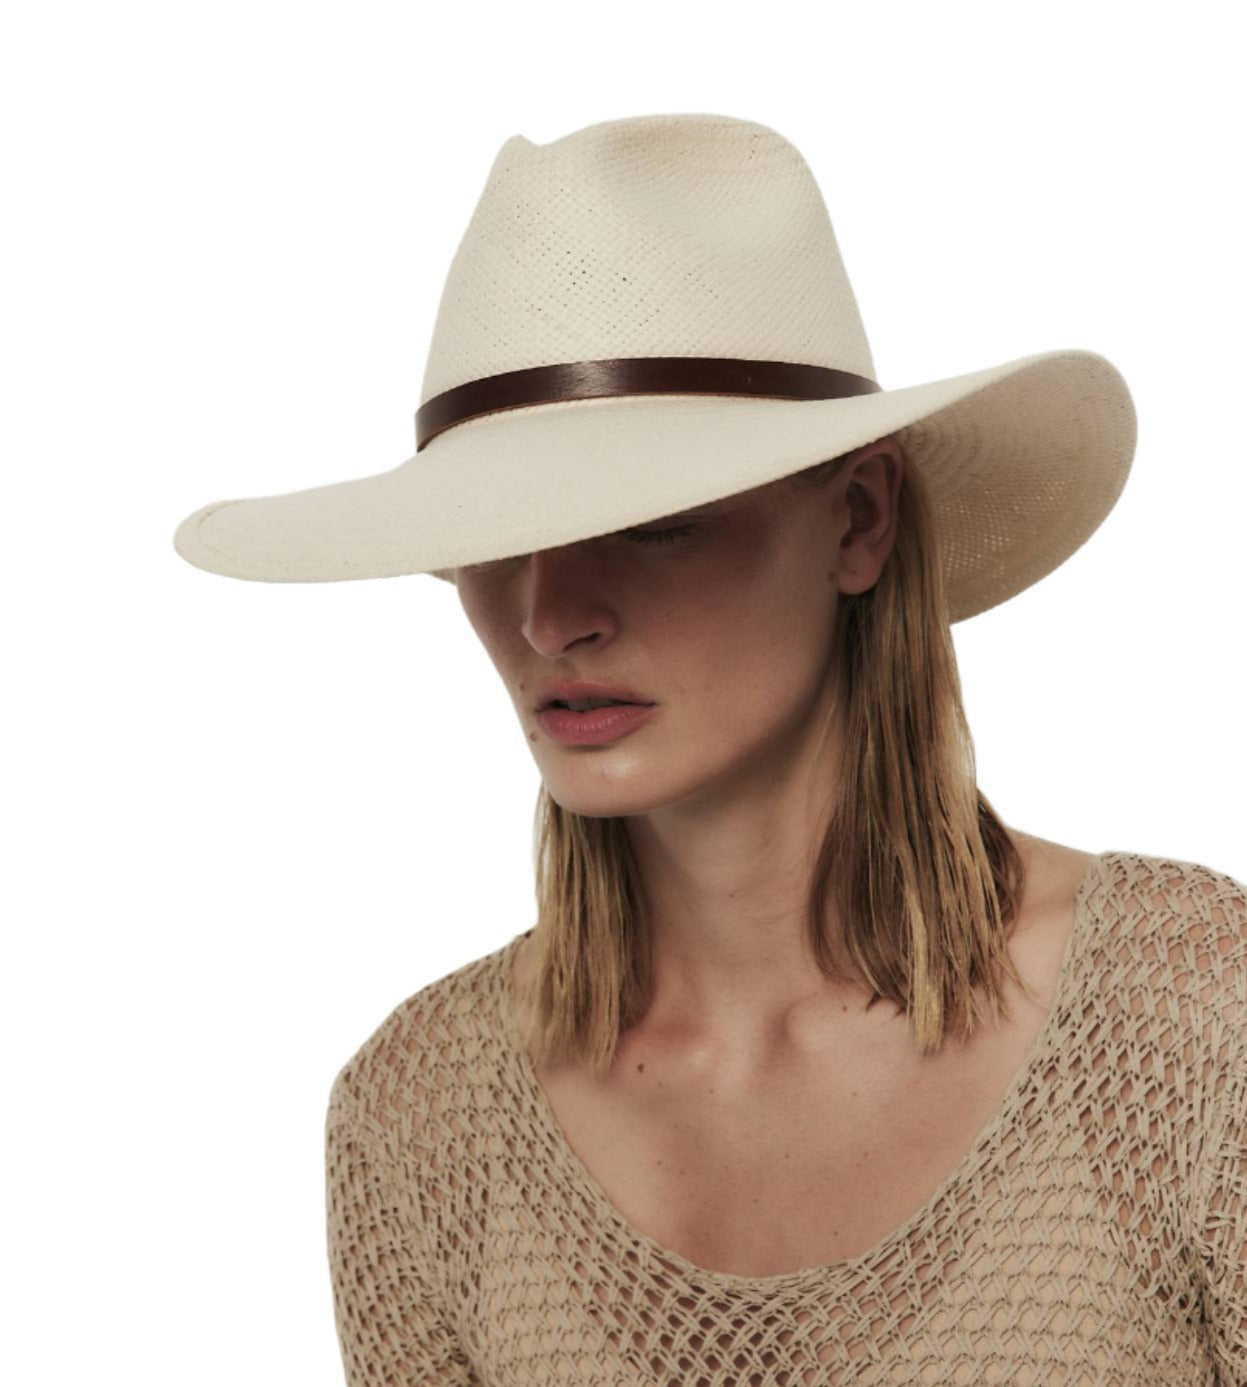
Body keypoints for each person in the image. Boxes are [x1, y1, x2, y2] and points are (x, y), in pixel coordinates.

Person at [173, 113, 1245, 1385]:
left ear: (856, 519)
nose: (546, 614)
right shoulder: (422, 1124)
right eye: (494, 535)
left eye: (651, 522)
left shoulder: (1190, 1021)